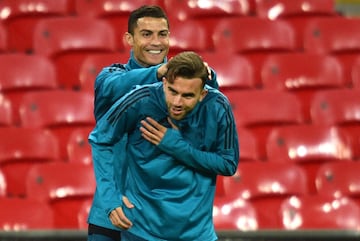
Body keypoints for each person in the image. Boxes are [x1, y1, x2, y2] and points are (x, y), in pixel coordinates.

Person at [87, 5, 219, 241]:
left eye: (163, 34)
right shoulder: (110, 78)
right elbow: (115, 89)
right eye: (146, 34)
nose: (156, 42)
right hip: (113, 214)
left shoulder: (187, 85)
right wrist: (160, 72)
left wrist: (208, 79)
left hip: (162, 221)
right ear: (129, 38)